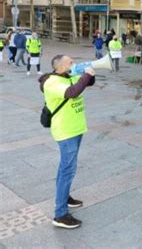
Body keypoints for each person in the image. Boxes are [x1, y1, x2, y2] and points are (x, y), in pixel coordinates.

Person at [39, 55, 96, 229]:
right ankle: (60, 214)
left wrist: (89, 75)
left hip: (76, 128)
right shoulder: (52, 82)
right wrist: (85, 75)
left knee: (66, 167)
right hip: (66, 131)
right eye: (70, 62)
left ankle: (65, 197)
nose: (74, 64)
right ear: (62, 66)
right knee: (68, 170)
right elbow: (73, 92)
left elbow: (87, 83)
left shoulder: (68, 76)